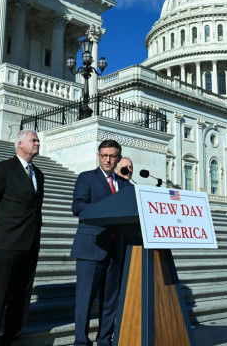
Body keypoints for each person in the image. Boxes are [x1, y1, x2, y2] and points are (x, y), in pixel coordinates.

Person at [0, 129, 44, 346]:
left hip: (30, 243)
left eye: (37, 141)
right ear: (20, 144)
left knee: (22, 295)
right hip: (7, 242)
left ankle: (13, 339)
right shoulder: (4, 168)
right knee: (0, 294)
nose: (38, 143)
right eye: (33, 140)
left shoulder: (38, 174)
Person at [70, 140, 131, 346]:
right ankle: (81, 341)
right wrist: (105, 210)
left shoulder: (124, 184)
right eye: (104, 155)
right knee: (85, 299)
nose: (107, 159)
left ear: (118, 158)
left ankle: (104, 339)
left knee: (110, 300)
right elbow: (78, 206)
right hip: (91, 246)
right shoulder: (87, 177)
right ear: (98, 156)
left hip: (116, 248)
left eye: (112, 156)